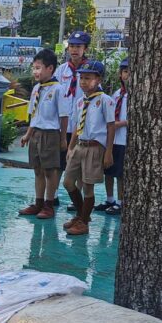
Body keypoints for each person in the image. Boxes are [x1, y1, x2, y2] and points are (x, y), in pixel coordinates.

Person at [63, 60, 115, 237]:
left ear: (98, 79)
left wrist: (108, 152)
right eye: (82, 78)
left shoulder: (105, 100)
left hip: (94, 147)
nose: (83, 81)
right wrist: (71, 147)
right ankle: (81, 215)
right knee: (68, 182)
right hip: (80, 145)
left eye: (88, 78)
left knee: (87, 186)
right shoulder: (80, 101)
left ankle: (83, 223)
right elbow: (77, 126)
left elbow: (110, 126)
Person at [18, 48, 67, 220]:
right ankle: (38, 203)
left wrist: (63, 139)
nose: (35, 72)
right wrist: (28, 134)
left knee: (50, 171)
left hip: (50, 134)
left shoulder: (58, 89)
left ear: (50, 68)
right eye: (34, 68)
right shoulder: (36, 89)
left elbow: (63, 116)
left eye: (38, 68)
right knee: (37, 170)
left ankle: (49, 204)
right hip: (36, 134)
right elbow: (34, 114)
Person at [57, 31, 91, 212]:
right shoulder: (62, 70)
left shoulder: (90, 70)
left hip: (80, 126)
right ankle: (52, 195)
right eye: (71, 46)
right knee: (58, 162)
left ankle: (76, 198)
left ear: (85, 49)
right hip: (62, 125)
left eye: (78, 46)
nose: (74, 50)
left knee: (77, 165)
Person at [98, 58, 129, 216]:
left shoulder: (136, 95)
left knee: (120, 173)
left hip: (124, 139)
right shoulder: (117, 94)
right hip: (112, 139)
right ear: (120, 74)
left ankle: (120, 201)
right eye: (125, 72)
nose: (128, 75)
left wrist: (120, 123)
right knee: (108, 170)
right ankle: (109, 199)